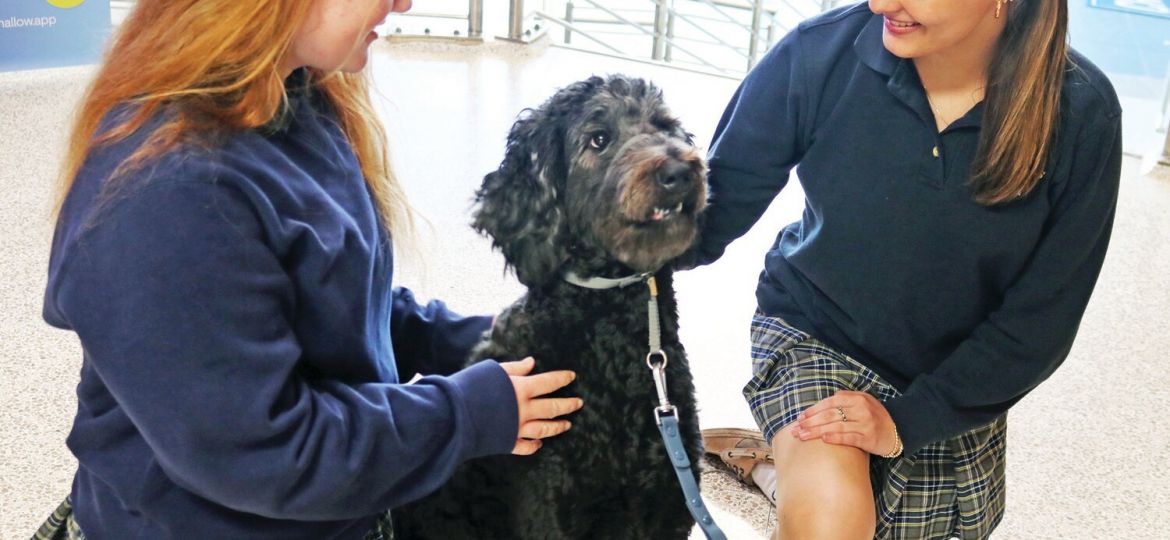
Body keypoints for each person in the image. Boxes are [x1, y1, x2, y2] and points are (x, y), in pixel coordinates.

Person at [32, 1, 584, 538]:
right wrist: (465, 413)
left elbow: (332, 301)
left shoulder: (298, 99)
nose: (403, 3)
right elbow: (266, 452)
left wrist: (485, 341)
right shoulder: (169, 195)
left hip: (336, 507)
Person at [694, 0, 1122, 538]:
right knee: (832, 525)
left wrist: (907, 422)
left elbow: (1041, 322)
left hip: (954, 374)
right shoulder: (820, 53)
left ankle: (769, 466)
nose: (880, 3)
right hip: (817, 332)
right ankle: (804, 471)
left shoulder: (1082, 111)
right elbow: (699, 220)